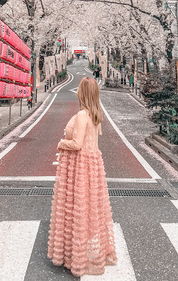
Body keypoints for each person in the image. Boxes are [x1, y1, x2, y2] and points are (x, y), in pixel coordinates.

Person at [48, 77, 117, 276]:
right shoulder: (96, 115)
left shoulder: (81, 115)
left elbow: (77, 144)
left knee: (75, 209)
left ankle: (74, 257)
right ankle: (89, 251)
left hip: (79, 167)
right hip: (93, 166)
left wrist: (61, 143)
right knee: (90, 209)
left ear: (82, 93)